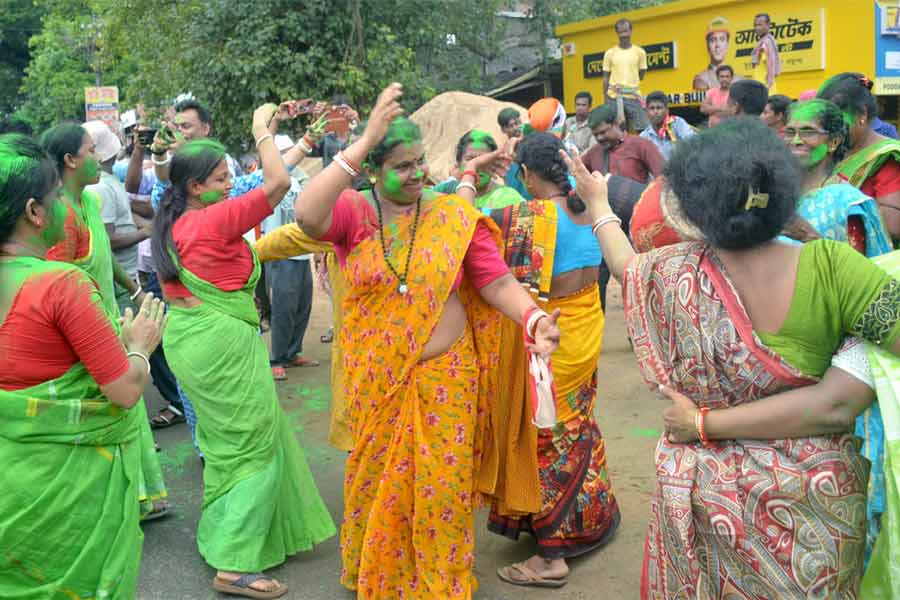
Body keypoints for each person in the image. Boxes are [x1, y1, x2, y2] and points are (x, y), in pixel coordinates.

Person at [565, 117, 900, 598]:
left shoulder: (669, 272)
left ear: (693, 208)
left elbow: (623, 267)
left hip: (705, 500)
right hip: (813, 511)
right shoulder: (834, 268)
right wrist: (856, 352)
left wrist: (599, 205)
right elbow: (838, 402)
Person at [294, 83, 561, 599]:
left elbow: (496, 281)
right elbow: (306, 214)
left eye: (421, 162)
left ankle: (441, 582)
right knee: (376, 484)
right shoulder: (355, 214)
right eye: (402, 164)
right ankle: (383, 573)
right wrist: (364, 137)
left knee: (442, 490)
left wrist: (533, 320)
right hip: (378, 383)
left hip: (447, 380)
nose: (417, 174)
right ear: (373, 169)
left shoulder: (451, 216)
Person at [151, 105, 336, 599]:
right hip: (222, 347)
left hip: (195, 343)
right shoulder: (209, 221)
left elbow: (241, 246)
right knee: (252, 447)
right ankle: (234, 564)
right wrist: (260, 131)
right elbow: (274, 185)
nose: (230, 184)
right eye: (220, 178)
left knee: (228, 447)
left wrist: (293, 149)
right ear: (193, 186)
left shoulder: (182, 221)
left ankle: (232, 532)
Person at [0, 132, 166, 599]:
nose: (62, 207)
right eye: (54, 198)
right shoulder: (61, 285)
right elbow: (124, 392)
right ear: (34, 211)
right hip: (63, 497)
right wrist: (140, 344)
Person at [461, 133, 619, 589]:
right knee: (576, 425)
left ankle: (552, 556)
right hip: (585, 328)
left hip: (548, 337)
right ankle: (587, 518)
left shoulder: (523, 216)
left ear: (527, 175)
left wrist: (471, 172)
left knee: (543, 437)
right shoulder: (589, 208)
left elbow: (458, 222)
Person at [40, 122, 169, 520]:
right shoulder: (60, 216)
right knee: (114, 407)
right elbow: (60, 284)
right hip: (85, 329)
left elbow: (104, 259)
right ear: (70, 159)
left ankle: (141, 496)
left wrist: (132, 288)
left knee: (127, 410)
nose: (98, 157)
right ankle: (116, 502)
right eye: (91, 149)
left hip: (111, 317)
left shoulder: (89, 204)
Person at [819, 72, 900, 243]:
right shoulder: (837, 150)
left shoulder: (886, 157)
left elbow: (892, 227)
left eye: (837, 120)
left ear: (862, 114)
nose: (828, 129)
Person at [263, 134, 319, 381]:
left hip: (300, 252)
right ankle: (277, 358)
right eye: (282, 151)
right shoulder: (272, 179)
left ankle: (293, 351)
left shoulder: (298, 179)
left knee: (302, 304)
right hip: (280, 251)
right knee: (283, 308)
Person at [83, 120, 151, 312]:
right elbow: (108, 240)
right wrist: (145, 232)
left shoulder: (108, 179)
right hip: (119, 283)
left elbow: (125, 211)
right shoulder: (100, 187)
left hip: (126, 277)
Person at [432, 130, 524, 210]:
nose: (477, 165)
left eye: (483, 158)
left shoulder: (509, 198)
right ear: (458, 163)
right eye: (470, 159)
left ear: (494, 162)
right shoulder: (442, 192)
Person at [582, 103, 663, 184]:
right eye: (595, 135)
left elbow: (663, 177)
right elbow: (579, 177)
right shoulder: (593, 153)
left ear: (616, 124)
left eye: (603, 132)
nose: (599, 138)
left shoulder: (641, 145)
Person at [602, 18, 649, 132]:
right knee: (616, 131)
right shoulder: (610, 53)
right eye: (621, 32)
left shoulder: (640, 52)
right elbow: (605, 78)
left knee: (644, 128)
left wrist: (630, 84)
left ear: (631, 31)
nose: (624, 35)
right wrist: (606, 98)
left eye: (626, 31)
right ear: (617, 33)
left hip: (633, 96)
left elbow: (641, 75)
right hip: (613, 97)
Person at [639, 91, 696, 161]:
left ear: (667, 110)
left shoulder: (677, 123)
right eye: (652, 108)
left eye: (659, 108)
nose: (655, 112)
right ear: (647, 112)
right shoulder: (644, 136)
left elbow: (692, 143)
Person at [693, 16, 736, 92]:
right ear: (707, 45)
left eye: (722, 40)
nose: (717, 45)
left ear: (727, 44)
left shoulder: (738, 78)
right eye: (713, 40)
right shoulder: (701, 78)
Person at [751, 12, 781, 91]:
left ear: (768, 25)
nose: (757, 28)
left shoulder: (766, 43)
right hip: (761, 87)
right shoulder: (761, 43)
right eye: (755, 25)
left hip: (765, 88)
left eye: (760, 25)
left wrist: (767, 86)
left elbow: (770, 65)